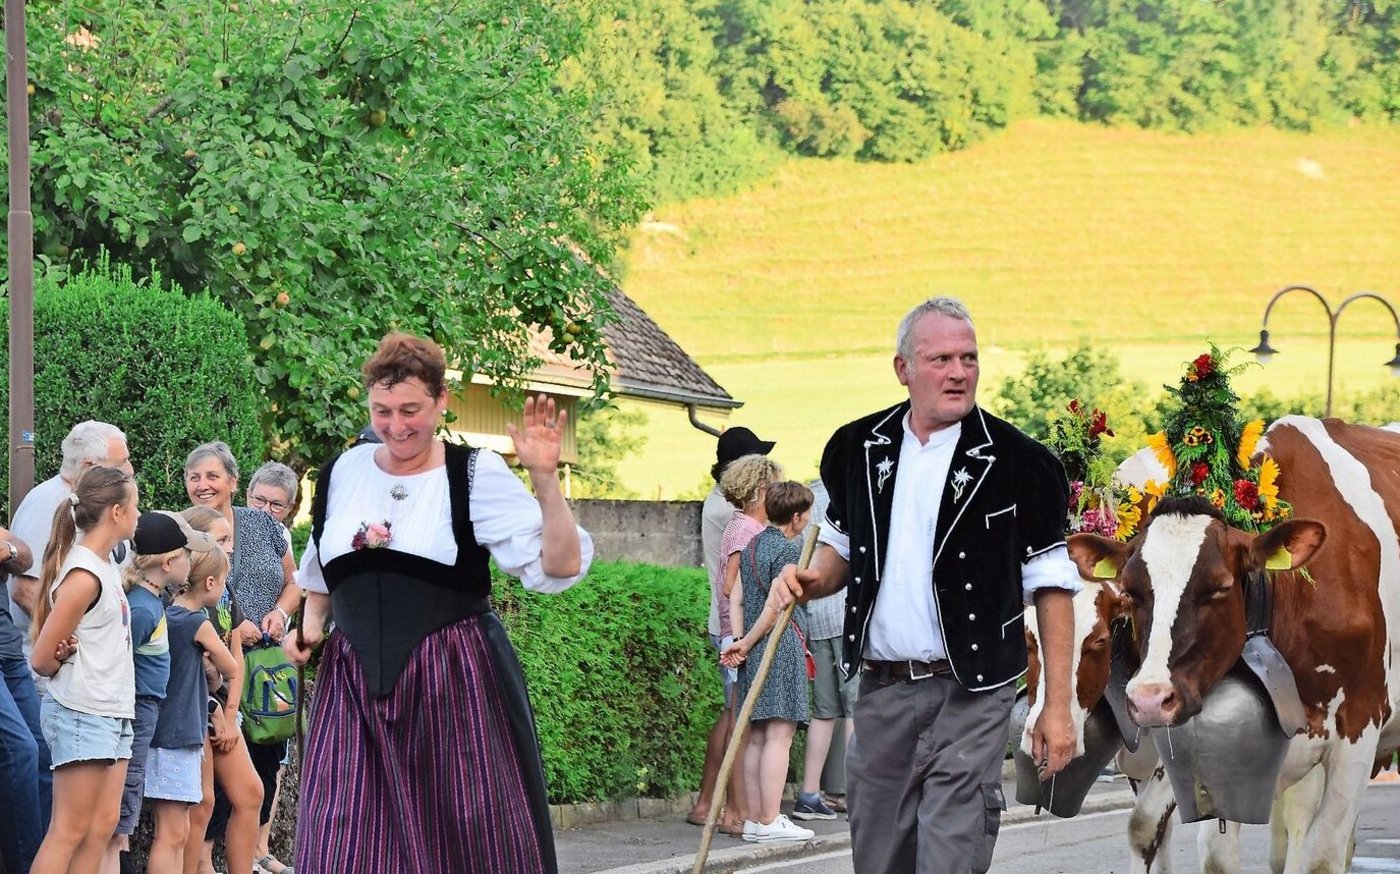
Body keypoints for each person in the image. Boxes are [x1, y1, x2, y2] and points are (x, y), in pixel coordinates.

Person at [770, 297, 1079, 874]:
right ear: (903, 368)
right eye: (940, 359)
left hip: (974, 692)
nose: (959, 372)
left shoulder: (1019, 462)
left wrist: (1056, 707)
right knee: (879, 857)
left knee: (951, 855)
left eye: (969, 358)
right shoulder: (858, 449)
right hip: (882, 694)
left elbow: (1053, 588)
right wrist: (813, 582)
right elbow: (840, 551)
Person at [283, 331, 593, 873]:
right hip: (353, 685)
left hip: (452, 683)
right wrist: (309, 626)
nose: (397, 425)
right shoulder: (341, 473)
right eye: (382, 410)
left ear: (441, 401)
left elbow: (561, 565)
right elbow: (321, 572)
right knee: (344, 838)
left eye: (411, 410)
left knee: (463, 841)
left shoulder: (472, 474)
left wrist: (545, 480)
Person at [185, 441, 297, 871]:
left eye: (212, 476)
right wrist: (235, 631)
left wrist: (280, 612)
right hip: (216, 672)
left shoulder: (264, 525)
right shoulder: (187, 528)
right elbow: (181, 603)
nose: (203, 485)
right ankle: (203, 862)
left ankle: (251, 856)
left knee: (266, 765)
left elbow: (295, 581)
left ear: (233, 481)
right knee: (212, 782)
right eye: (195, 476)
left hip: (268, 671)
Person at [28, 466, 140, 874]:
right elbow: (40, 659)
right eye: (135, 506)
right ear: (115, 512)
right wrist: (61, 653)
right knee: (69, 830)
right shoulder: (83, 575)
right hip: (83, 712)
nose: (138, 514)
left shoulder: (105, 564)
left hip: (112, 710)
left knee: (101, 827)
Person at [688, 427, 775, 830]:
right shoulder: (730, 512)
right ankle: (733, 812)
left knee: (731, 715)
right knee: (739, 718)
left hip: (726, 621)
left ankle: (709, 803)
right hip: (733, 623)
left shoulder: (720, 505)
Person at [721, 481, 816, 843]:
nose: (808, 519)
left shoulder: (752, 545)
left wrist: (740, 642)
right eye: (806, 513)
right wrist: (748, 640)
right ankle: (770, 818)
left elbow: (738, 598)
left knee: (757, 736)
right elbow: (777, 608)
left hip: (752, 648)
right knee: (779, 734)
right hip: (780, 646)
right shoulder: (788, 552)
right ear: (796, 516)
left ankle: (753, 820)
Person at [106, 513, 197, 874]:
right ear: (169, 562)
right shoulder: (143, 608)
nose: (191, 561)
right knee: (128, 787)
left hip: (148, 707)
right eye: (187, 555)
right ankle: (116, 854)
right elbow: (120, 661)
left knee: (133, 783)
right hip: (138, 708)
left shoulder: (152, 600)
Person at [9, 421, 134, 677]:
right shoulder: (48, 505)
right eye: (121, 463)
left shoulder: (90, 503)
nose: (130, 470)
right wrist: (78, 635)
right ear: (90, 466)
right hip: (57, 673)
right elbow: (25, 590)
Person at [180, 505, 263, 874]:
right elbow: (191, 663)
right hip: (195, 708)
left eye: (230, 538)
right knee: (202, 803)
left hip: (222, 710)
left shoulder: (224, 587)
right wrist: (216, 711)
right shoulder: (183, 594)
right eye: (221, 538)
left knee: (250, 793)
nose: (229, 546)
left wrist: (230, 714)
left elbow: (235, 653)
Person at [147, 537, 237, 874]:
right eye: (224, 582)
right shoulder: (197, 623)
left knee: (178, 830)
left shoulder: (167, 615)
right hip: (178, 733)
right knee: (171, 833)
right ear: (210, 582)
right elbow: (229, 668)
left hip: (169, 730)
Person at [792, 479, 851, 820]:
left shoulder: (810, 496)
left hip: (816, 618)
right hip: (846, 618)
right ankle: (857, 792)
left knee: (824, 711)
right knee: (857, 710)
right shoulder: (852, 496)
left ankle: (808, 793)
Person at [0, 531, 40, 874]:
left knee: (45, 751)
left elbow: (24, 556)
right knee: (21, 749)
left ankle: (49, 861)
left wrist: (8, 550)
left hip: (10, 655)